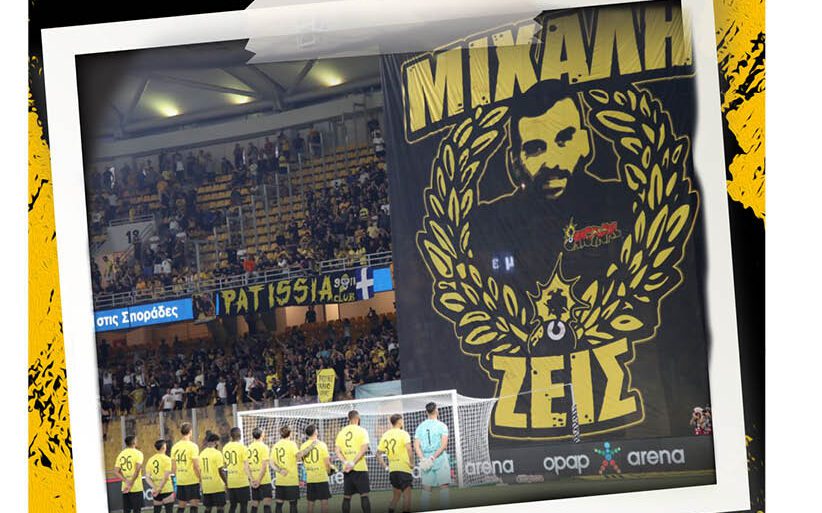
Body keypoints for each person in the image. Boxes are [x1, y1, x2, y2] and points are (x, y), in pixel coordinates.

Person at [414, 403, 451, 511]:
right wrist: (432, 458)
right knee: (444, 487)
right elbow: (444, 445)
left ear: (426, 412)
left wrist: (423, 459)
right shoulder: (442, 426)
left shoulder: (420, 427)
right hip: (439, 458)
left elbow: (416, 446)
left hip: (426, 458)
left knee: (426, 488)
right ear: (436, 410)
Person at [334, 410, 371, 513]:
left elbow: (337, 451)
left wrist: (345, 462)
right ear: (357, 418)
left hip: (347, 469)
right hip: (360, 468)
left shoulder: (342, 432)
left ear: (349, 419)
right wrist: (353, 462)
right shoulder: (362, 430)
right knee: (364, 495)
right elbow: (364, 449)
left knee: (347, 497)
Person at [377, 414, 413, 513]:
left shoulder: (386, 434)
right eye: (402, 420)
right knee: (407, 498)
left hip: (392, 470)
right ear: (400, 422)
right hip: (404, 468)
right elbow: (409, 449)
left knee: (396, 497)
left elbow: (378, 454)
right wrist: (411, 463)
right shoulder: (403, 433)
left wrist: (385, 466)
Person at [298, 424, 332, 513]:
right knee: (324, 502)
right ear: (315, 432)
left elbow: (302, 460)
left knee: (310, 503)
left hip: (310, 478)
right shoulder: (321, 444)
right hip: (321, 477)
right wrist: (329, 471)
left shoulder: (303, 446)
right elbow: (327, 462)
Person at [171, 422, 202, 512]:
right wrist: (200, 478)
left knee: (181, 506)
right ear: (190, 432)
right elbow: (196, 466)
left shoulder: (175, 447)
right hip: (192, 480)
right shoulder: (193, 446)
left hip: (180, 481)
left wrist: (177, 478)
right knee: (194, 505)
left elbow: (173, 467)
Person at [270, 426, 300, 513]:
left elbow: (271, 463)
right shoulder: (292, 444)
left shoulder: (275, 445)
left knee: (279, 505)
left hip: (280, 480)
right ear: (290, 433)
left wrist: (280, 470)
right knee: (293, 504)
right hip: (291, 480)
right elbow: (299, 456)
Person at [223, 427, 253, 513]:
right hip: (241, 481)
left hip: (231, 481)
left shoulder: (225, 447)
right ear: (240, 435)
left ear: (231, 436)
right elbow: (246, 466)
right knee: (243, 506)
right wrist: (251, 478)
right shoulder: (242, 447)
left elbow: (224, 464)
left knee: (233, 505)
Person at [114, 435, 144, 513]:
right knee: (137, 510)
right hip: (136, 487)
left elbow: (116, 471)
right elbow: (137, 470)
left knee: (126, 510)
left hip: (125, 487)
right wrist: (131, 483)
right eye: (136, 440)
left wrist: (126, 481)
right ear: (134, 442)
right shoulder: (138, 453)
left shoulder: (121, 454)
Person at [145, 439, 175, 513]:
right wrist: (159, 489)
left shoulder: (150, 460)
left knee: (157, 511)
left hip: (156, 490)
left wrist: (155, 487)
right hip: (166, 489)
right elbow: (166, 477)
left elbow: (147, 477)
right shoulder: (167, 459)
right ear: (164, 447)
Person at [247, 427, 273, 513]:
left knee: (255, 504)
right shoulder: (264, 447)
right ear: (262, 435)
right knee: (267, 504)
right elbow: (264, 466)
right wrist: (259, 480)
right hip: (264, 479)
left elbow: (246, 466)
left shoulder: (248, 447)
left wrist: (251, 479)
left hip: (253, 480)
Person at [201, 433, 228, 513]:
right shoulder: (217, 453)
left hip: (206, 486)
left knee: (208, 508)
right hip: (217, 486)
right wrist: (226, 482)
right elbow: (220, 471)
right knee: (220, 508)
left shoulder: (202, 453)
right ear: (216, 442)